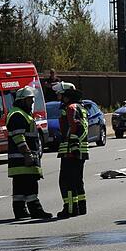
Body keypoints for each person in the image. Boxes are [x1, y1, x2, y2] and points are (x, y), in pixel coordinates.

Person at [6, 87, 53, 220]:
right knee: (30, 185)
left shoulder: (21, 113)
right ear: (22, 101)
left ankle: (20, 211)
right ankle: (36, 210)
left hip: (20, 160)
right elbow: (18, 136)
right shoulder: (18, 115)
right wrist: (27, 154)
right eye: (29, 100)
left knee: (20, 188)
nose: (31, 103)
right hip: (23, 159)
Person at [56, 83, 88, 218]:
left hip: (71, 151)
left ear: (67, 96)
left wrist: (74, 146)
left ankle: (70, 209)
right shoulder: (81, 107)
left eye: (60, 94)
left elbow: (75, 127)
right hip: (80, 150)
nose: (58, 97)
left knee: (66, 181)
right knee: (77, 180)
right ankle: (81, 207)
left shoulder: (70, 108)